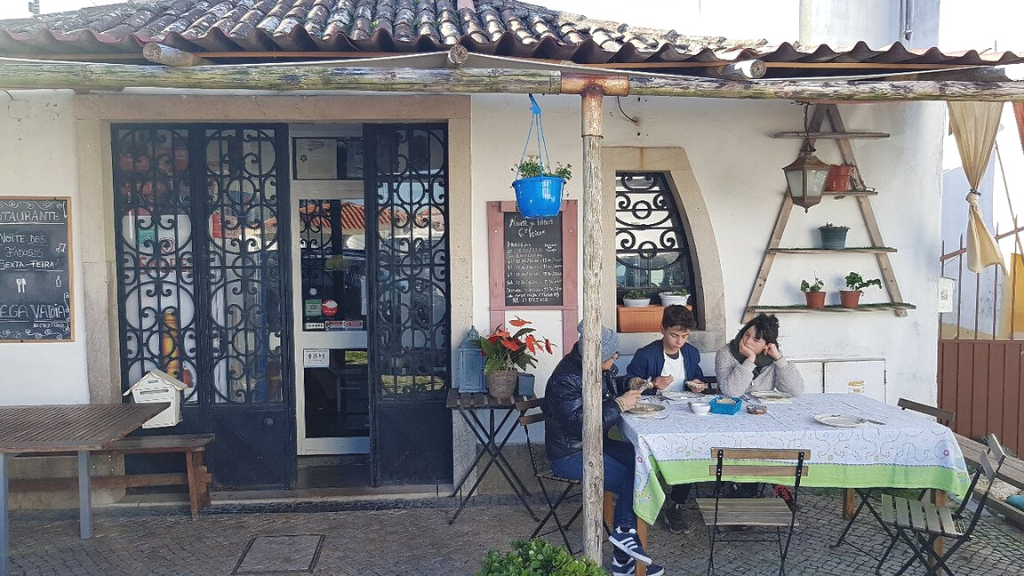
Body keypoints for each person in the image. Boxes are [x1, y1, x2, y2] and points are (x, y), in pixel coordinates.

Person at [543, 323, 665, 576]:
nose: (616, 358)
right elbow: (579, 424)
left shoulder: (590, 366)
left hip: (594, 445)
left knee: (640, 459)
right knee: (629, 477)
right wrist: (620, 404)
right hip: (570, 453)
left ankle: (622, 552)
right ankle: (625, 536)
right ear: (597, 355)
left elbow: (606, 385)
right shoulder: (567, 377)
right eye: (612, 356)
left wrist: (631, 382)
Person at [625, 305, 705, 534]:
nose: (680, 341)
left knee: (691, 448)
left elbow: (696, 375)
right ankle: (648, 499)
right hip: (654, 415)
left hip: (684, 414)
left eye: (685, 336)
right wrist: (652, 384)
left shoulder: (690, 353)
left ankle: (676, 501)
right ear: (662, 329)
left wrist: (698, 385)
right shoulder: (647, 354)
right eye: (674, 335)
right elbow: (630, 383)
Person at [715, 313, 804, 398]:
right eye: (746, 334)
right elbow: (730, 392)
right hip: (733, 409)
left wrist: (779, 358)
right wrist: (750, 360)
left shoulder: (773, 355)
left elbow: (795, 392)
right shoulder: (726, 353)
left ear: (767, 344)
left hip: (764, 410)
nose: (747, 341)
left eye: (756, 340)